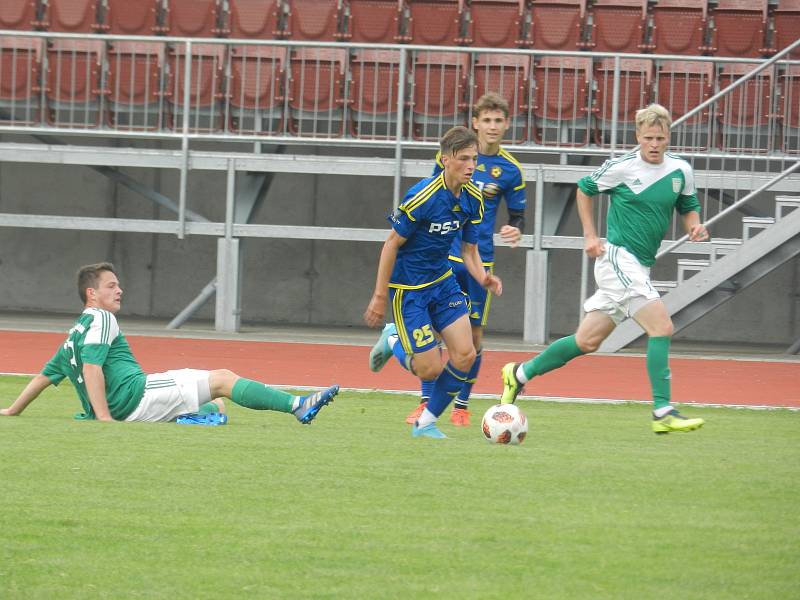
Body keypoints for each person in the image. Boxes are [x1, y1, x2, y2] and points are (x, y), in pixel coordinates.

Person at [500, 104, 707, 434]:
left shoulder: (680, 170)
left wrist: (695, 227)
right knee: (662, 328)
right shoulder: (622, 167)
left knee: (586, 341)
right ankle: (663, 410)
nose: (654, 144)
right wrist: (590, 235)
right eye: (648, 137)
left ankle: (519, 373)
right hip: (617, 260)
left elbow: (688, 205)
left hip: (638, 265)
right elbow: (584, 189)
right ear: (638, 136)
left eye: (660, 137)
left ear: (669, 137)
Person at [0, 262, 338, 423]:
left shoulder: (74, 332)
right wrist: (104, 420)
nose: (119, 290)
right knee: (221, 378)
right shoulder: (102, 318)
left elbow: (43, 379)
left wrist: (12, 410)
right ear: (92, 294)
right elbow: (92, 370)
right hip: (135, 396)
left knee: (215, 403)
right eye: (111, 286)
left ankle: (201, 416)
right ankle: (298, 405)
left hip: (127, 406)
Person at [364, 126, 503, 439]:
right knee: (430, 369)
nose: (471, 165)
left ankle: (425, 423)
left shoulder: (473, 197)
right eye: (464, 159)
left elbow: (469, 250)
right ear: (445, 160)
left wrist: (483, 277)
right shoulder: (422, 196)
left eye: (475, 159)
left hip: (443, 283)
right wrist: (379, 296)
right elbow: (390, 244)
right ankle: (392, 341)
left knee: (466, 354)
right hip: (410, 290)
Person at [403, 92, 526, 427]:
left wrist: (514, 229)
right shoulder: (451, 157)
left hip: (478, 260)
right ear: (475, 123)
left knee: (473, 337)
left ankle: (461, 405)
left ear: (507, 124)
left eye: (498, 120)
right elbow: (433, 193)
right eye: (486, 119)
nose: (492, 126)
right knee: (436, 331)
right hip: (442, 258)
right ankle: (426, 402)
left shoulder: (511, 170)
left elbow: (518, 215)